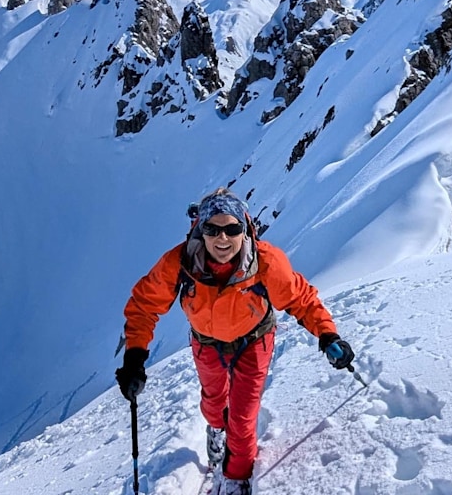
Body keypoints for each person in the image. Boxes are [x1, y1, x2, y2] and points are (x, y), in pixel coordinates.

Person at [115, 188, 356, 495]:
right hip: (206, 343)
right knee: (214, 404)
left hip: (254, 341)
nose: (222, 238)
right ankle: (216, 429)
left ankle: (235, 480)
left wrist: (328, 334)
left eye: (232, 229)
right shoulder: (180, 262)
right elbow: (144, 306)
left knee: (242, 422)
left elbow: (302, 299)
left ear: (246, 229)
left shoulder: (265, 261)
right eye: (212, 229)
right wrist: (135, 357)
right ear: (200, 231)